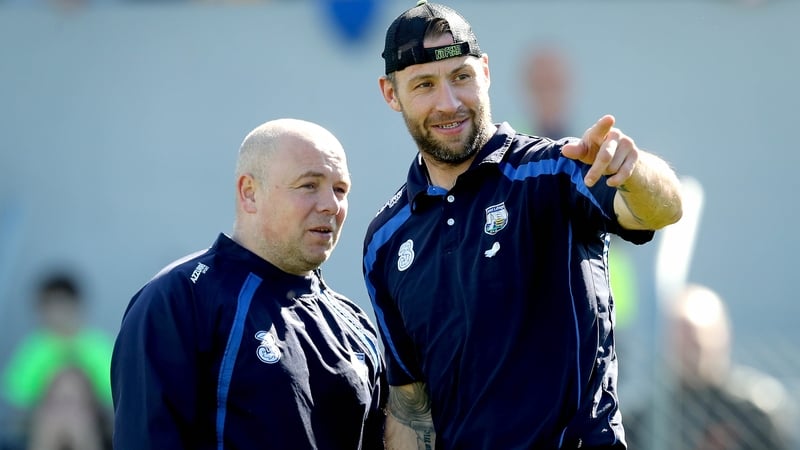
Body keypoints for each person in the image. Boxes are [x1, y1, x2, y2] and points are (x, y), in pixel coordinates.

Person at [362, 2, 683, 449]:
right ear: (390, 94)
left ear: (486, 72)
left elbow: (661, 208)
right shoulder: (384, 242)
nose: (449, 102)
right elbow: (411, 405)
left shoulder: (553, 171)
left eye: (461, 77)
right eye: (424, 85)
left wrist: (636, 170)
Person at [111, 118, 387, 449]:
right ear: (249, 193)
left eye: (340, 189)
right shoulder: (181, 298)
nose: (331, 204)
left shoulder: (355, 324)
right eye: (309, 185)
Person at [624, 284, 792, 450]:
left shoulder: (755, 412)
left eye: (699, 340)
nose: (692, 351)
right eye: (682, 338)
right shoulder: (645, 420)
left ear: (723, 337)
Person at [0, 271, 113, 449]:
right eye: (49, 307)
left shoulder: (97, 346)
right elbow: (20, 400)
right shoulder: (34, 348)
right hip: (43, 419)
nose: (56, 314)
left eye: (61, 305)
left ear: (76, 306)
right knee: (51, 420)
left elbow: (110, 398)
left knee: (77, 419)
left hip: (89, 419)